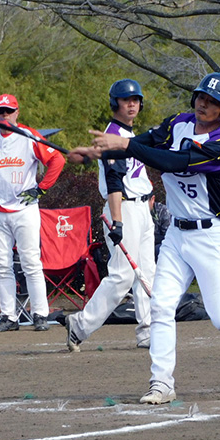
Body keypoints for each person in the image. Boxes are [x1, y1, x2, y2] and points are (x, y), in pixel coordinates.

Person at [81, 72, 220, 404]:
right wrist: (97, 151)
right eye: (201, 97)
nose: (203, 104)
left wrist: (123, 146)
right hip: (177, 235)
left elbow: (174, 161)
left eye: (212, 102)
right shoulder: (178, 123)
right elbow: (147, 143)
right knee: (160, 306)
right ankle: (161, 383)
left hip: (211, 237)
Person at [64, 79, 156, 350]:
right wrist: (118, 221)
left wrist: (89, 154)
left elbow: (132, 163)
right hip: (124, 208)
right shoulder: (113, 133)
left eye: (136, 100)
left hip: (142, 208)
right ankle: (80, 325)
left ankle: (148, 331)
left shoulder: (125, 134)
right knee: (123, 276)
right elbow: (115, 182)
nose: (132, 104)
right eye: (126, 100)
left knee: (147, 273)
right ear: (115, 103)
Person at [0, 93, 66, 332]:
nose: (4, 115)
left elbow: (57, 160)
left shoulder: (29, 136)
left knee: (31, 262)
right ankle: (8, 316)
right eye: (0, 111)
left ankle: (40, 314)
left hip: (24, 209)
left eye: (8, 111)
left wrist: (41, 189)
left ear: (17, 112)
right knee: (2, 265)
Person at [149, 194, 171, 261]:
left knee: (158, 249)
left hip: (160, 243)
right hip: (145, 243)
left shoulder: (163, 210)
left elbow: (167, 236)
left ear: (152, 199)